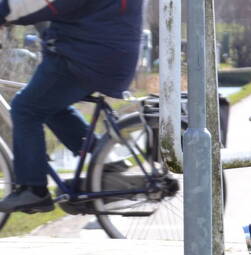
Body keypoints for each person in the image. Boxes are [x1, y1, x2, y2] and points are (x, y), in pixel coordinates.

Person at [0, 0, 143, 214]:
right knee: (51, 106)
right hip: (104, 51)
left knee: (25, 109)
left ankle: (33, 190)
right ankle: (106, 164)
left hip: (85, 55)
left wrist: (4, 11)